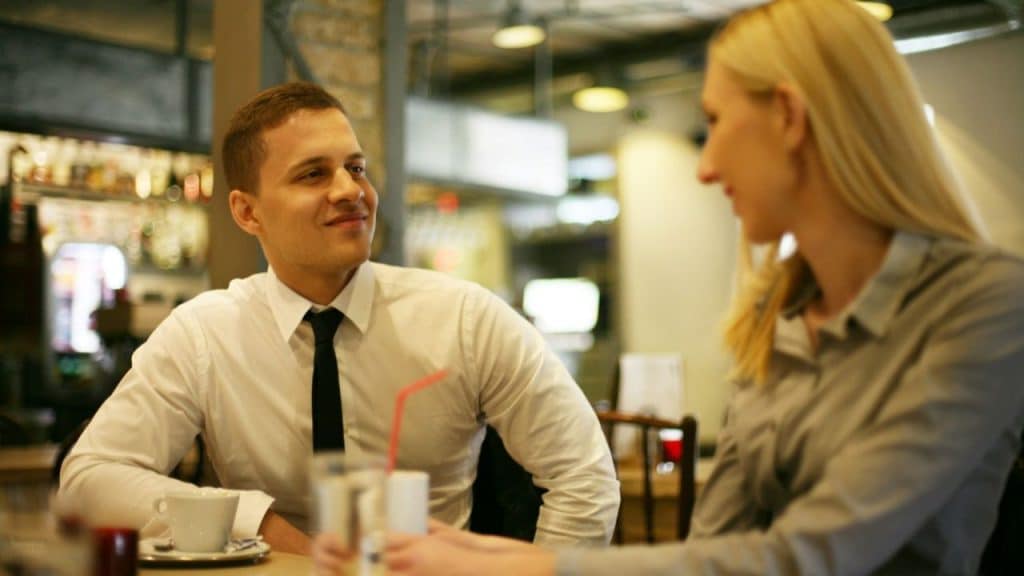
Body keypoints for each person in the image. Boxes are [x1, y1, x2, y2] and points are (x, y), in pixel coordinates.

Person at [315, 0, 1024, 574]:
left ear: (789, 116)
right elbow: (714, 546)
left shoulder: (987, 304)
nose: (705, 167)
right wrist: (470, 550)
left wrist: (526, 570)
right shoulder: (774, 313)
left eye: (715, 124)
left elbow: (810, 555)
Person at [57, 82, 619, 555]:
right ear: (247, 211)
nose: (351, 191)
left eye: (356, 167)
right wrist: (259, 524)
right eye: (313, 175)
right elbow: (88, 479)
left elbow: (584, 478)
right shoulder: (205, 334)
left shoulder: (465, 319)